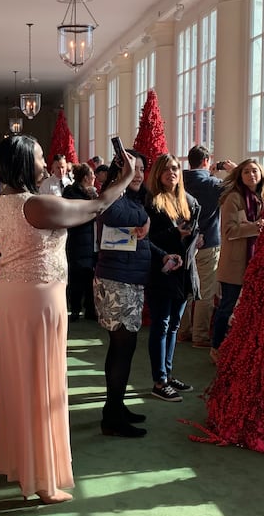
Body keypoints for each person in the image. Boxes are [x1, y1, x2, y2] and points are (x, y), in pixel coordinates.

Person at [0, 135, 135, 503]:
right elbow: (95, 207)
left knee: (20, 381)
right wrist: (124, 178)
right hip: (36, 298)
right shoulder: (33, 205)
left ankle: (23, 465)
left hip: (15, 294)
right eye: (39, 158)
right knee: (41, 382)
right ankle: (41, 480)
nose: (46, 164)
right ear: (24, 163)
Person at [94, 151, 176, 437]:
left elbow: (139, 242)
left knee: (122, 350)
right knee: (122, 349)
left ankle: (114, 408)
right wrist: (146, 218)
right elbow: (114, 215)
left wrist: (163, 255)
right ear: (121, 171)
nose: (139, 174)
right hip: (118, 282)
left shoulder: (131, 199)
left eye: (142, 169)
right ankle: (112, 418)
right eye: (133, 169)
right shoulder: (115, 197)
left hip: (127, 280)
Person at [145, 154, 200, 401]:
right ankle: (159, 381)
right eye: (166, 169)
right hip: (162, 271)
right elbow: (146, 239)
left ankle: (167, 373)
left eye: (175, 168)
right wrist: (173, 233)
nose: (172, 173)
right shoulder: (152, 202)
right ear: (158, 173)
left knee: (175, 325)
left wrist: (196, 238)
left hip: (184, 271)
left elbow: (196, 231)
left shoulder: (188, 201)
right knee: (162, 324)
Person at [210, 157, 264, 363]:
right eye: (246, 172)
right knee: (226, 306)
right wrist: (256, 227)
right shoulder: (233, 198)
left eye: (254, 171)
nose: (251, 175)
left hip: (259, 264)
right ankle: (216, 348)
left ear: (261, 173)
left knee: (254, 309)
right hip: (235, 264)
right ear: (240, 175)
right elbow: (228, 231)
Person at [178, 146, 237, 347]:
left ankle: (182, 331)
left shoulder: (179, 181)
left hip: (183, 242)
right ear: (207, 160)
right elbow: (240, 185)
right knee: (204, 292)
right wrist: (232, 169)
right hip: (208, 243)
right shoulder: (213, 184)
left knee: (185, 288)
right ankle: (200, 336)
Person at [62, 163, 98, 321]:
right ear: (86, 178)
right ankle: (75, 309)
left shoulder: (92, 194)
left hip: (91, 240)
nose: (95, 178)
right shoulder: (71, 192)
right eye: (92, 175)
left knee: (90, 276)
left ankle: (89, 309)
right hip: (77, 238)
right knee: (76, 277)